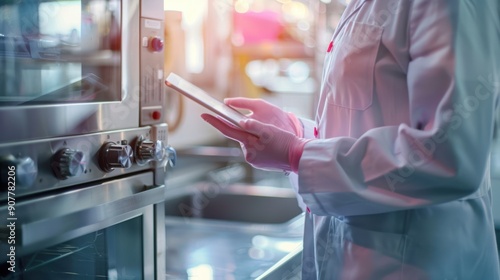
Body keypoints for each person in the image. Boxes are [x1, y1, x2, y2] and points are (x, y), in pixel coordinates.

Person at [202, 0, 500, 279]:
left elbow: (449, 155)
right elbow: (366, 120)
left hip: (417, 262)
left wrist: (298, 154)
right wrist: (297, 132)